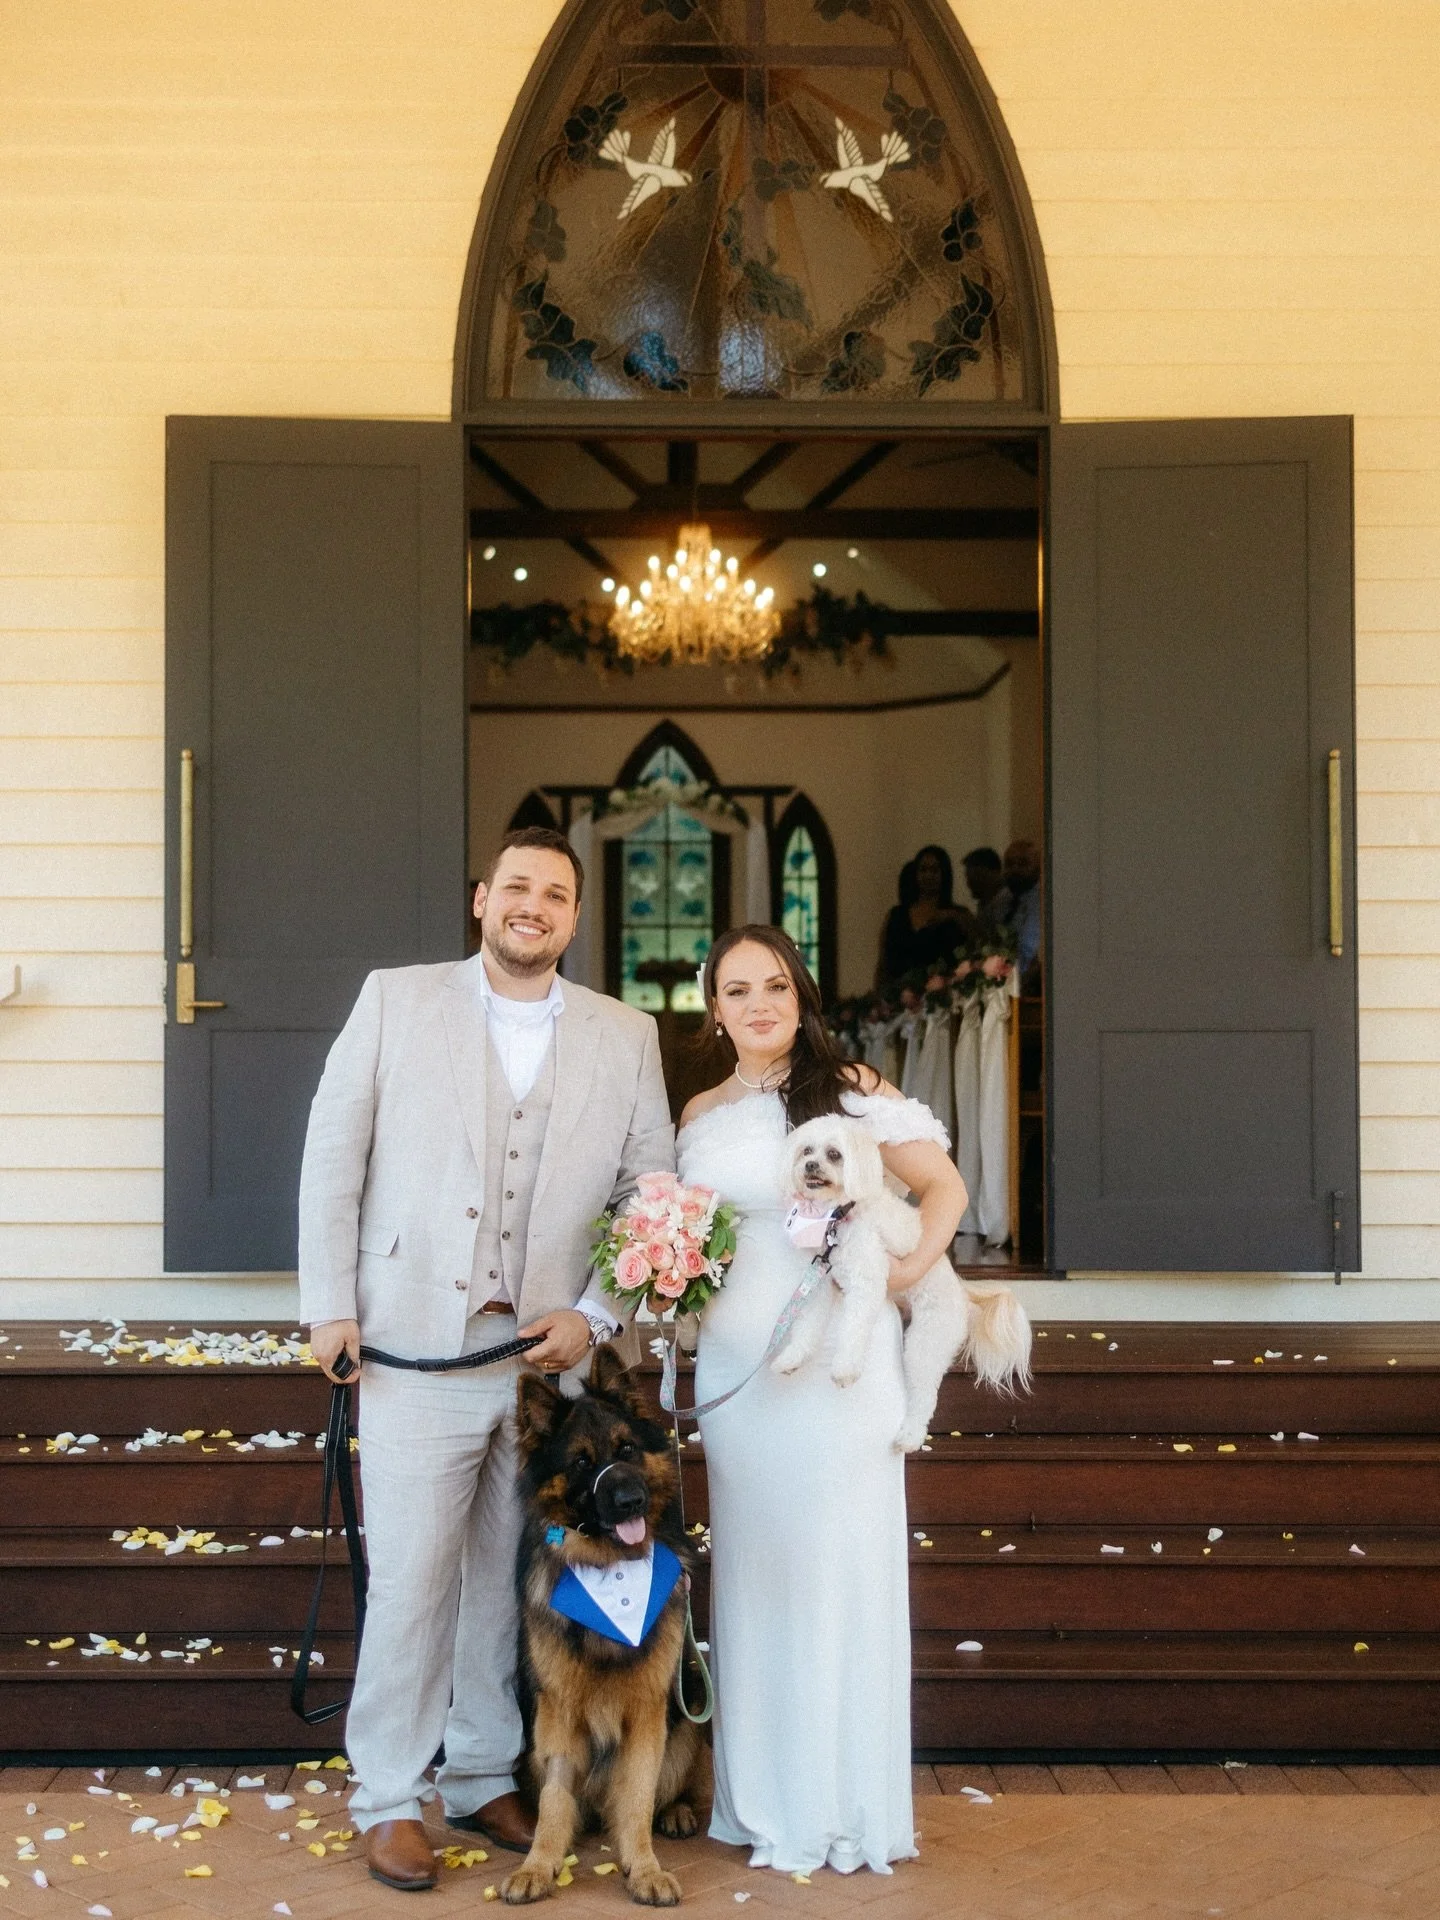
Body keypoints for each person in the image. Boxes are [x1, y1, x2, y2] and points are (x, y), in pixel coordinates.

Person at [297, 826, 673, 1894]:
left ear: (575, 916)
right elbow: (334, 1155)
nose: (534, 907)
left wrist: (597, 1315)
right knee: (414, 1581)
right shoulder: (397, 999)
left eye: (557, 895)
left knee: (512, 1585)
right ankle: (388, 1797)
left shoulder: (624, 1031)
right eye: (518, 887)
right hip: (415, 1345)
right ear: (481, 899)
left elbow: (646, 1193)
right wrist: (330, 1306)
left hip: (543, 1373)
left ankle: (474, 1773)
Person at [678, 925, 967, 1876]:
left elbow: (945, 1189)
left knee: (840, 1560)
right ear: (713, 1009)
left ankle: (845, 1803)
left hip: (842, 1366)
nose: (758, 1004)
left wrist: (896, 1279)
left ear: (800, 996)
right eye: (736, 990)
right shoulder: (698, 1111)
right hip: (737, 1367)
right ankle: (761, 1800)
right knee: (760, 1569)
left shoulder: (853, 1089)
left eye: (775, 986)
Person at [874, 844, 976, 988]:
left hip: (943, 997)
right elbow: (883, 965)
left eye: (934, 870)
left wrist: (952, 917)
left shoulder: (959, 915)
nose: (928, 876)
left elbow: (976, 948)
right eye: (923, 870)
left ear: (944, 874)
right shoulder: (896, 915)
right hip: (898, 999)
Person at [991, 838, 1042, 985]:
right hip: (1001, 983)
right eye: (1009, 864)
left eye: (1023, 863)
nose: (1015, 869)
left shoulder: (1046, 901)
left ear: (1038, 866)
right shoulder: (1000, 901)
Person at [961, 844, 1004, 915]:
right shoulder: (984, 904)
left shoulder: (1009, 904)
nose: (969, 884)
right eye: (969, 878)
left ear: (995, 873)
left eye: (977, 877)